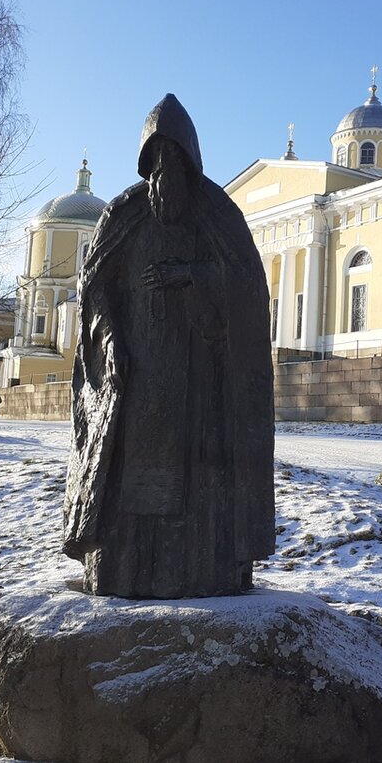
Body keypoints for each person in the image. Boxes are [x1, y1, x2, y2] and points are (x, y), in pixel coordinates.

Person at [63, 94, 275, 599]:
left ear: (190, 162)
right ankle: (125, 571)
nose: (165, 175)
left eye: (174, 161)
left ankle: (206, 570)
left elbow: (246, 291)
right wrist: (110, 339)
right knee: (134, 484)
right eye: (156, 163)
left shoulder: (217, 215)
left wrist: (194, 276)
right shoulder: (123, 215)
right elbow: (93, 291)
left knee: (200, 482)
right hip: (136, 381)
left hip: (202, 387)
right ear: (146, 166)